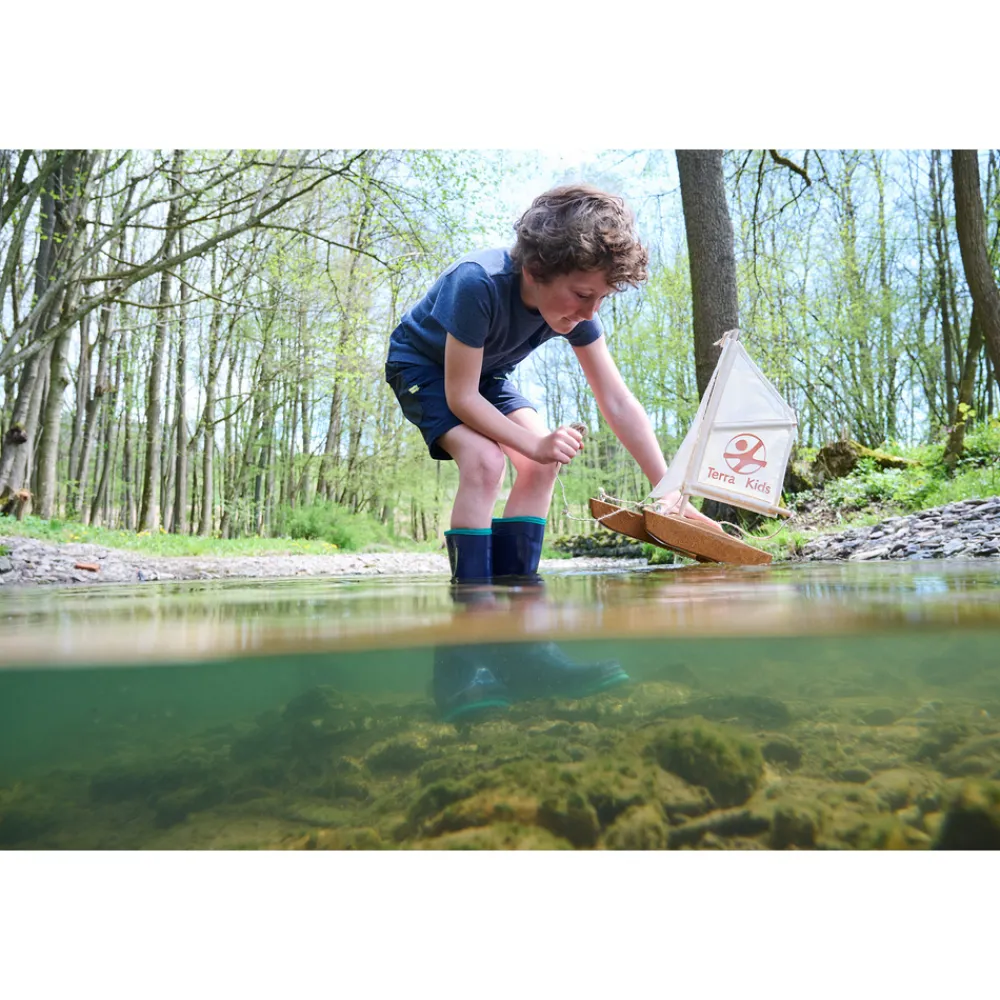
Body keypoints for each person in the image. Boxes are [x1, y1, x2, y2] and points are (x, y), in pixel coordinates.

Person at [385, 183, 722, 587]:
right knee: (485, 461)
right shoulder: (477, 282)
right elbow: (462, 397)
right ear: (535, 271)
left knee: (544, 466)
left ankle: (519, 593)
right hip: (422, 368)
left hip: (487, 376)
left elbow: (616, 400)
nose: (590, 311)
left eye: (601, 298)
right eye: (583, 294)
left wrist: (666, 488)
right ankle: (473, 602)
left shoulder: (578, 311)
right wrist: (536, 445)